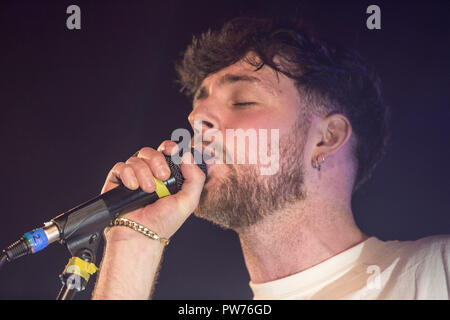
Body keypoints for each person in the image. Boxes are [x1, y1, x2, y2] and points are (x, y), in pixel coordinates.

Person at [92, 17, 450, 300]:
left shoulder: (437, 273)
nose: (196, 117)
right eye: (198, 103)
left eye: (243, 100)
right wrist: (133, 242)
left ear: (327, 138)